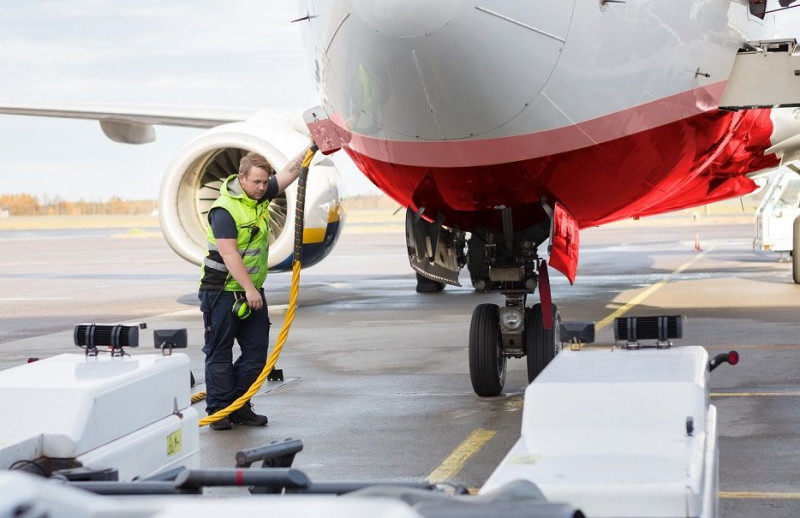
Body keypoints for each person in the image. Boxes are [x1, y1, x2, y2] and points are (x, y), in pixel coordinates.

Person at [198, 146, 311, 430]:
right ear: (242, 178)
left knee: (257, 355)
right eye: (257, 182)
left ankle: (239, 405)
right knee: (219, 353)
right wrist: (250, 290)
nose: (263, 188)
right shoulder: (224, 209)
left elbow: (288, 172)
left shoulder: (257, 197)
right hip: (222, 292)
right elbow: (230, 255)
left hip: (250, 290)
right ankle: (220, 412)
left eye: (265, 182)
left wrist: (313, 147)